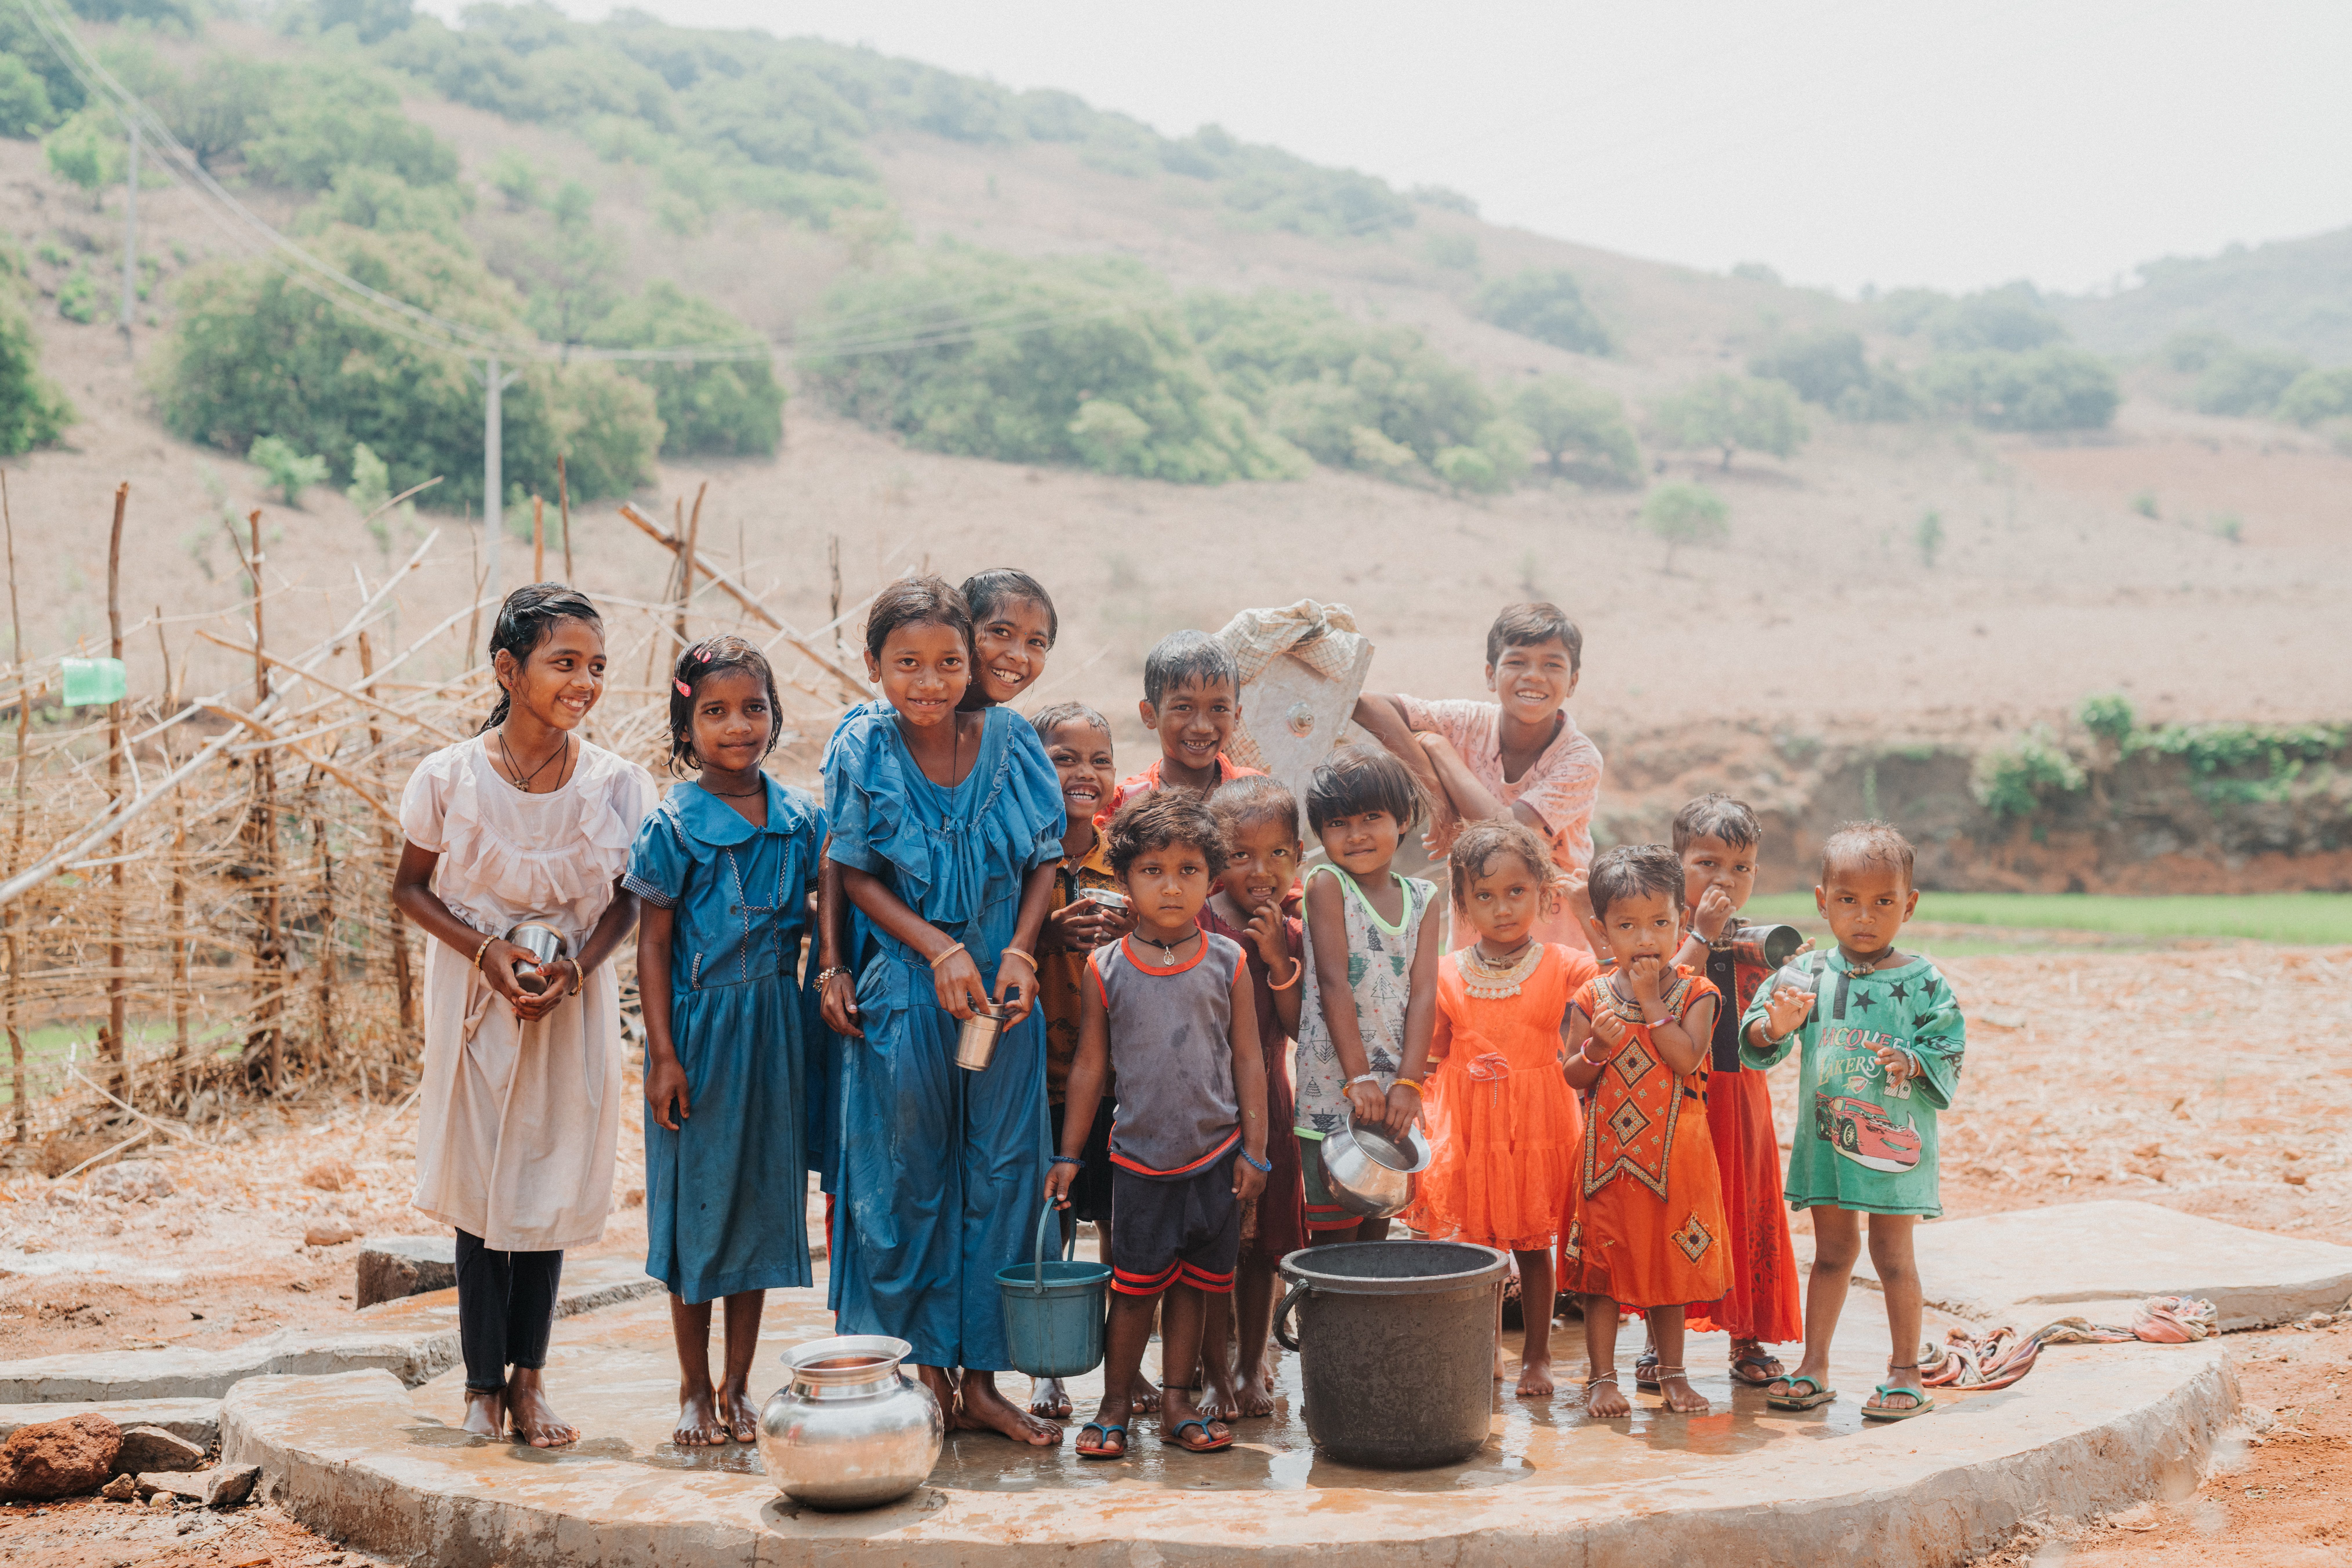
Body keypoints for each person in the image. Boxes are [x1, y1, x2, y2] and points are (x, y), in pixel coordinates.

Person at [391, 584, 656, 1447]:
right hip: (474, 1000)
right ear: (508, 670)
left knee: (544, 1181)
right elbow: (408, 889)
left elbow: (628, 901)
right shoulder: (449, 779)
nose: (584, 681)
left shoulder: (618, 787)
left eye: (597, 667)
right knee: (481, 1191)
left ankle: (531, 1382)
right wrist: (485, 953)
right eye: (564, 663)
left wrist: (578, 966)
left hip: (566, 1004)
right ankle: (480, 1388)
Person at [815, 576, 1066, 1445]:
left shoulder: (1012, 739)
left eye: (948, 663)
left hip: (1002, 992)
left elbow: (1045, 857)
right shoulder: (866, 747)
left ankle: (984, 1383)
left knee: (1000, 1177)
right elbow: (851, 870)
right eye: (908, 664)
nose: (929, 682)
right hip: (908, 994)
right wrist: (936, 949)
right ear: (874, 665)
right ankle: (921, 1381)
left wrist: (1021, 950)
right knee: (904, 1184)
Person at [628, 637, 823, 1446]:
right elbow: (653, 945)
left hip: (777, 1030)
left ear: (775, 717)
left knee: (760, 1212)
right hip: (700, 1033)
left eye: (753, 708)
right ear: (687, 726)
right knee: (696, 1210)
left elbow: (826, 919)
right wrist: (663, 1054)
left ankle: (740, 1385)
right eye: (715, 712)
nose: (738, 726)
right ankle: (690, 1386)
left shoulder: (802, 820)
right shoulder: (671, 826)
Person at [1047, 791, 1271, 1460]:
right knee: (1135, 1290)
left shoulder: (1227, 961)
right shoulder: (1106, 967)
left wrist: (1255, 1151)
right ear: (1125, 880)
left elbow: (1251, 1056)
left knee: (1196, 1291)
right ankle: (1115, 1403)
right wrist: (1068, 1155)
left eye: (1188, 870)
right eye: (1152, 871)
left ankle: (1178, 1403)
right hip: (1140, 1161)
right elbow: (1091, 1064)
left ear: (1213, 879)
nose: (1171, 886)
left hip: (1216, 1157)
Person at [1743, 820, 1965, 1422]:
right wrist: (1778, 1025)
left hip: (1897, 1147)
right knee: (1833, 1253)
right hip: (1827, 1140)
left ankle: (1905, 1372)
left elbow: (1948, 1047)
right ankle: (1814, 1365)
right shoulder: (1804, 974)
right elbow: (1756, 1037)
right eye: (1847, 900)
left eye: (1883, 902)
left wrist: (1914, 1060)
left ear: (1909, 905)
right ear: (1822, 902)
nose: (1864, 917)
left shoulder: (1924, 982)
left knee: (1894, 1256)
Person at [1627, 793, 1804, 1394]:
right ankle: (1659, 1338)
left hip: (1739, 1094)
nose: (1725, 879)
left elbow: (1770, 1038)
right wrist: (1699, 935)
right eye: (1707, 863)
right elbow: (1657, 992)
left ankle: (1746, 1334)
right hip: (1672, 1097)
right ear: (1674, 865)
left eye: (1742, 867)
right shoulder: (1655, 928)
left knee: (1744, 1200)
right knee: (1671, 1205)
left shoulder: (1762, 942)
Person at [1415, 820, 1597, 1399]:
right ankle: (1486, 1348)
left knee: (1531, 1245)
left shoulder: (1565, 965)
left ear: (1544, 894)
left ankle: (1537, 1356)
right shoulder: (1447, 973)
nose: (1502, 909)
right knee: (1476, 1245)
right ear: (1463, 902)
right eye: (1485, 896)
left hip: (1539, 1124)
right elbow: (1433, 1055)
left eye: (1517, 892)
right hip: (1469, 1125)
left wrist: (1588, 904)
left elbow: (1612, 980)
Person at [1559, 844, 1728, 1420]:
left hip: (1676, 1156)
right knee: (1602, 1271)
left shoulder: (1697, 993)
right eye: (1628, 925)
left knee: (1670, 1267)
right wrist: (1596, 1048)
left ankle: (1672, 1373)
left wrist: (1654, 1000)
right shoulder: (1591, 995)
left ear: (1682, 920)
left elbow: (1685, 1059)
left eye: (1660, 922)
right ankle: (1601, 1377)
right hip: (1606, 1155)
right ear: (1603, 934)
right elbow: (1572, 1073)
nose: (1646, 937)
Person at [1350, 602, 1603, 949]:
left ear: (1572, 682)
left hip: (1554, 934)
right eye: (1516, 661)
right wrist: (1435, 792)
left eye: (1552, 665)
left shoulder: (1580, 758)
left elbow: (1509, 834)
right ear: (1490, 674)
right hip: (1477, 930)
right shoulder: (1467, 722)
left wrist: (1440, 751)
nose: (1534, 675)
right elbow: (1366, 704)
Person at [1024, 700, 1136, 1423]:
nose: (1083, 772)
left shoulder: (1123, 860)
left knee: (1121, 1228)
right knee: (1049, 1229)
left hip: (1118, 1081)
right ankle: (1048, 1369)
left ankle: (1128, 1372)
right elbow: (993, 947)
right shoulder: (1019, 855)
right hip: (1037, 1078)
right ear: (1033, 766)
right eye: (1065, 758)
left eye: (1099, 759)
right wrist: (1043, 937)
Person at [1291, 745, 1440, 1242]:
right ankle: (1323, 1325)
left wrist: (1409, 1083)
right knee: (1332, 1242)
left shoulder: (1423, 898)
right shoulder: (1326, 883)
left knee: (1376, 1232)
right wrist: (1359, 1077)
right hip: (1334, 1092)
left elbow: (1424, 994)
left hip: (1396, 1096)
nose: (1355, 834)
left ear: (1402, 820)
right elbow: (1334, 982)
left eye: (1371, 817)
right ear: (1320, 833)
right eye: (1338, 822)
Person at [1197, 775, 1310, 1418]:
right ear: (1216, 859)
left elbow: (1294, 1026)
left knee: (1263, 1248)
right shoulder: (1199, 921)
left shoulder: (1290, 929)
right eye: (1240, 855)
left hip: (1270, 1102)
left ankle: (1251, 1364)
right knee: (1215, 1245)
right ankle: (1214, 1370)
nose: (1260, 870)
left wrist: (1276, 958)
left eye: (1276, 855)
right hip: (1207, 1106)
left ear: (1298, 856)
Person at [1105, 630, 1261, 814]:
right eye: (1184, 708)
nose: (1203, 727)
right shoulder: (1124, 803)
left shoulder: (1257, 797)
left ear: (1236, 716)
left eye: (1219, 709)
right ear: (1149, 714)